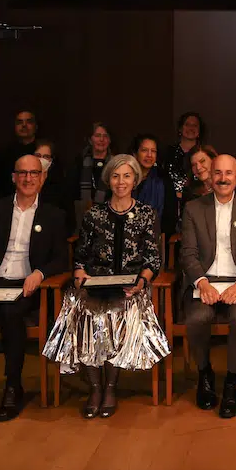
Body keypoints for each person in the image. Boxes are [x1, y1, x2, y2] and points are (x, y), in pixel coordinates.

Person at [43, 154, 170, 418]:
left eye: (126, 176)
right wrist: (79, 273)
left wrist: (142, 281)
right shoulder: (94, 214)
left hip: (131, 287)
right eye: (115, 176)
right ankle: (95, 387)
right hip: (95, 283)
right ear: (108, 180)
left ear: (135, 180)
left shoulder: (146, 214)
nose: (120, 182)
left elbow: (153, 259)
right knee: (82, 310)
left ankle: (111, 387)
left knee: (114, 314)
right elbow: (81, 255)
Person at [0, 153, 67, 422]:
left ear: (42, 178)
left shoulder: (54, 215)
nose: (28, 178)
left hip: (25, 285)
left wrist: (39, 274)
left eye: (34, 173)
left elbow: (62, 259)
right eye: (23, 173)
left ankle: (12, 387)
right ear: (14, 177)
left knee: (10, 314)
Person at [178, 153, 236, 418]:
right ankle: (205, 374)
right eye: (218, 173)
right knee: (197, 318)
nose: (223, 178)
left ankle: (231, 382)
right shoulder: (194, 208)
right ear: (210, 176)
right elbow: (188, 253)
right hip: (204, 282)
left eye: (229, 173)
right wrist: (202, 282)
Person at [129, 133, 176, 238]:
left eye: (153, 151)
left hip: (156, 239)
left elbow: (170, 219)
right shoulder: (125, 178)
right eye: (144, 150)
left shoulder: (164, 180)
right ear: (135, 154)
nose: (149, 155)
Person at [161, 112, 206, 222]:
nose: (191, 128)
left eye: (195, 125)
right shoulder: (167, 152)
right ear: (180, 129)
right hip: (170, 206)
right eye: (187, 124)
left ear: (199, 130)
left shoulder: (205, 153)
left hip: (199, 205)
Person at [0, 109, 38, 199]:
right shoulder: (3, 154)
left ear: (35, 126)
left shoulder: (44, 152)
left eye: (28, 122)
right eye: (19, 122)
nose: (24, 125)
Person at [33, 138, 75, 236]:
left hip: (51, 234)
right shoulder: (24, 181)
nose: (42, 159)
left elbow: (69, 221)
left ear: (51, 160)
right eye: (38, 156)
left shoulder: (61, 185)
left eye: (46, 157)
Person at [73, 122, 113, 210]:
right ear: (90, 140)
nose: (101, 139)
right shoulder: (79, 162)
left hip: (109, 211)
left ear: (109, 140)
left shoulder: (115, 164)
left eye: (105, 136)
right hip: (82, 212)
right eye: (97, 135)